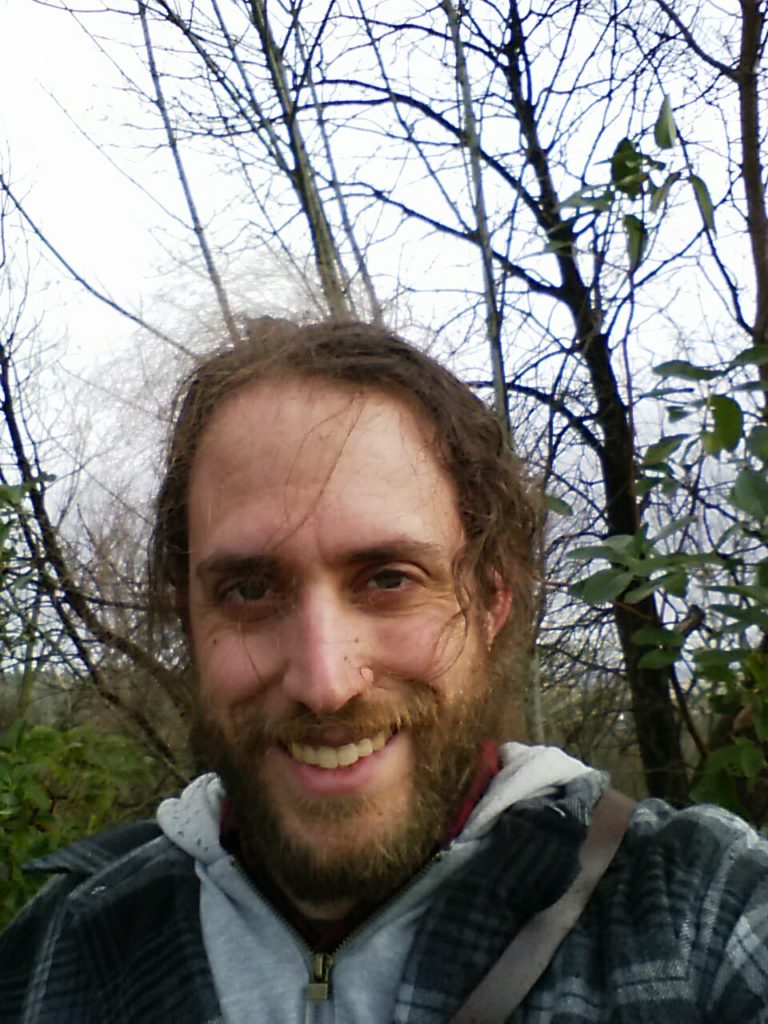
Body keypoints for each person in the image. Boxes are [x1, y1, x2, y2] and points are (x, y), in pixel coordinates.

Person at [1, 318, 767, 1023]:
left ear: (492, 602)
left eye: (389, 579)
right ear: (191, 621)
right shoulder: (58, 951)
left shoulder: (694, 916)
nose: (325, 682)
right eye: (250, 590)